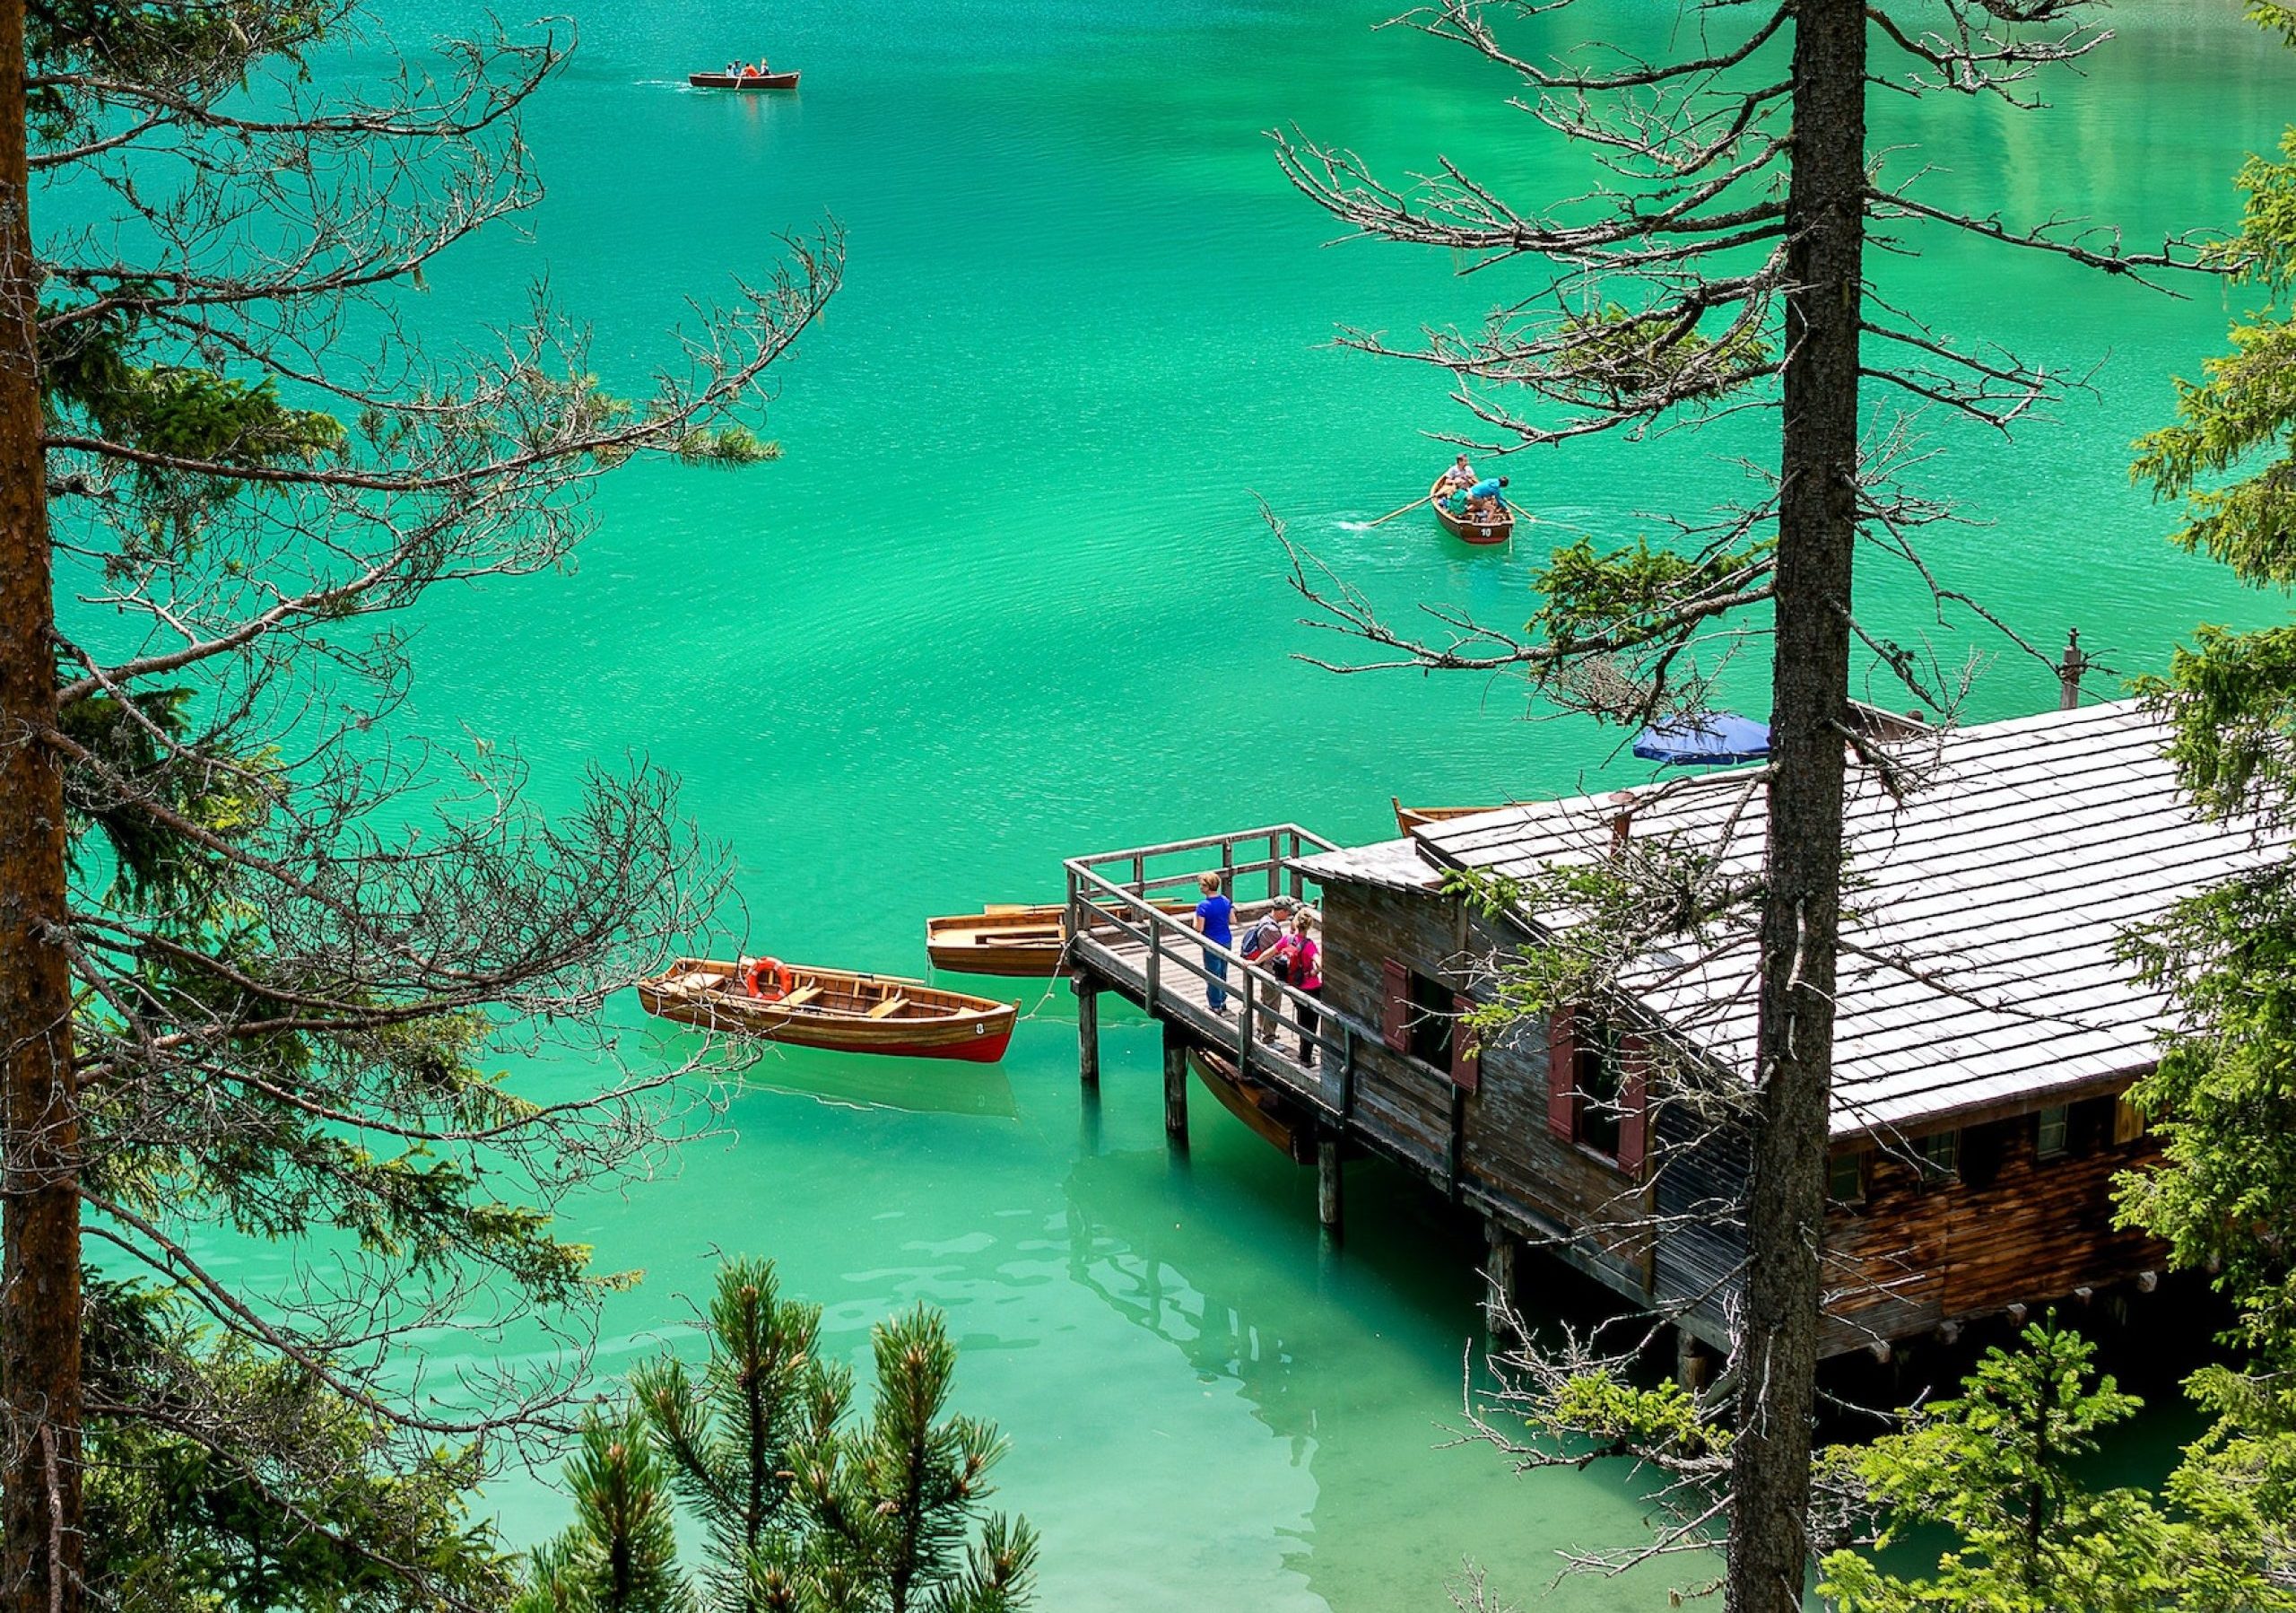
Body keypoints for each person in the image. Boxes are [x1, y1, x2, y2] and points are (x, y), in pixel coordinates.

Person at [1237, 896, 1297, 1042]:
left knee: (1265, 999)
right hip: (1272, 970)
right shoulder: (1271, 929)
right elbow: (1280, 951)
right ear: (1281, 911)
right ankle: (1269, 1036)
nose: (1288, 916)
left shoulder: (1265, 920)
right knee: (1273, 1003)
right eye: (1287, 913)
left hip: (1265, 967)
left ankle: (1260, 1028)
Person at [1277, 910, 1323, 1065]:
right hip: (1312, 987)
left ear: (1295, 923)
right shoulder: (1309, 945)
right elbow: (1320, 963)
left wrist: (1255, 962)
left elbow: (1271, 952)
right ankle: (1306, 1058)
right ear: (1309, 926)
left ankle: (1303, 1055)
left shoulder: (1288, 939)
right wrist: (1312, 972)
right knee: (1311, 1024)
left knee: (1302, 1021)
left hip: (1295, 986)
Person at [1193, 871, 1234, 1013]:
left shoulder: (1203, 906)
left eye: (1202, 885)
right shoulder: (1225, 901)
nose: (1200, 887)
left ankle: (1215, 1004)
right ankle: (1222, 1000)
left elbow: (1199, 928)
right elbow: (1233, 920)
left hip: (1211, 942)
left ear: (1208, 886)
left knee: (1212, 973)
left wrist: (1195, 918)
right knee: (1223, 971)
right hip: (1226, 939)